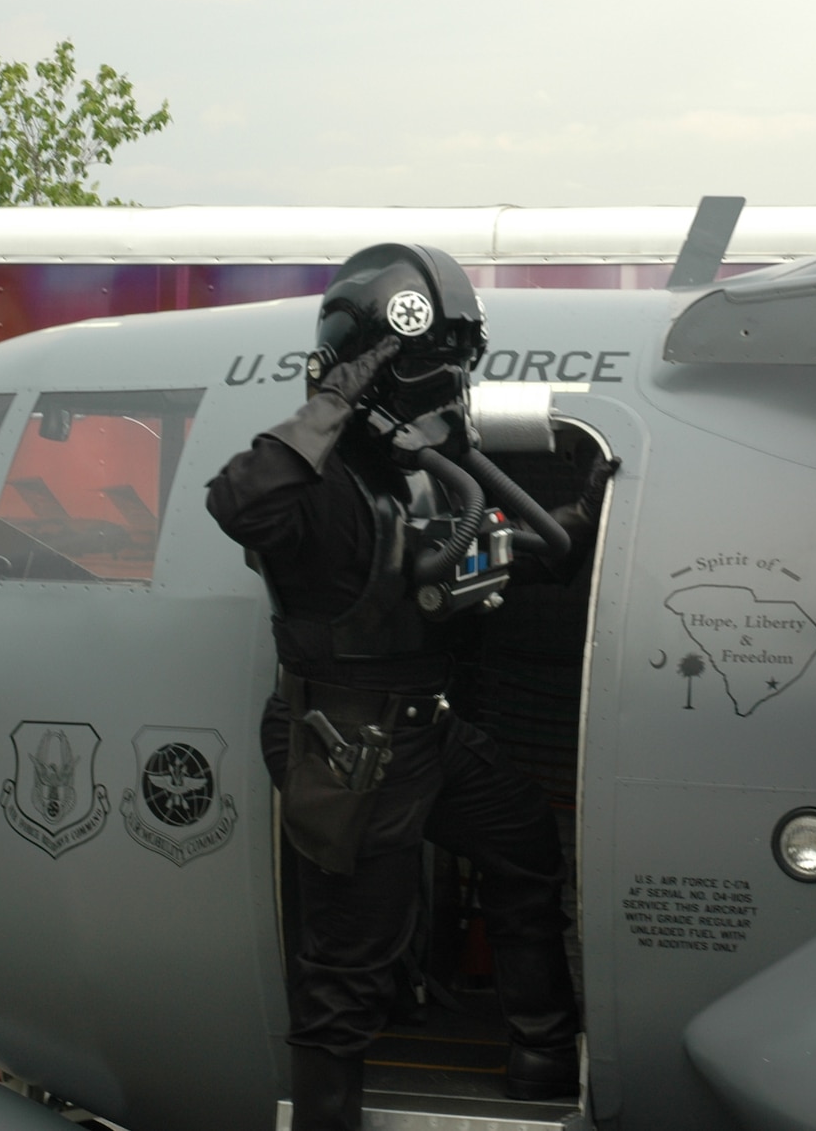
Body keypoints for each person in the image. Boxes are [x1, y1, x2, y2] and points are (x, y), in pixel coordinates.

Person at [206, 243, 610, 1131]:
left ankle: (541, 1049)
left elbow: (507, 546)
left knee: (523, 840)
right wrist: (335, 400)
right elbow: (241, 502)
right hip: (348, 746)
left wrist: (583, 510)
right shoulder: (312, 491)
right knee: (341, 975)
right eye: (418, 376)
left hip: (425, 732)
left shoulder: (418, 473)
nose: (441, 397)